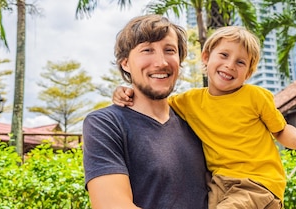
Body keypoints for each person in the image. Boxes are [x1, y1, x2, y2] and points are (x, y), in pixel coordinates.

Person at [114, 26, 296, 209]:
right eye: (224, 55)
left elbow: (279, 129)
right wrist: (126, 92)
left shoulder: (255, 97)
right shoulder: (189, 101)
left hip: (258, 183)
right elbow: (152, 101)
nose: (230, 65)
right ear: (206, 58)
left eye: (241, 62)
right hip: (219, 185)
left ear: (248, 73)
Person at [82, 14, 208, 209]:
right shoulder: (106, 124)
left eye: (169, 50)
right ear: (125, 63)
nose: (161, 62)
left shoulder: (195, 120)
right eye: (147, 50)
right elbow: (112, 205)